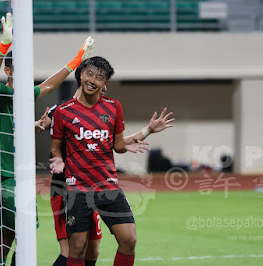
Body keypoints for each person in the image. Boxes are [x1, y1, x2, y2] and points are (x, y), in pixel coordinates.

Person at [36, 63, 174, 265]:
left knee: (112, 244)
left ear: (105, 84)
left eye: (99, 77)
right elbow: (54, 145)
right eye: (89, 75)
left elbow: (116, 144)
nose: (92, 80)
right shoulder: (62, 110)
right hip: (72, 188)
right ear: (81, 76)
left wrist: (147, 131)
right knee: (74, 249)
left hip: (106, 186)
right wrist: (56, 156)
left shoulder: (112, 107)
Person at [0, 12, 94, 266]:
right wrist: (5, 44)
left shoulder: (26, 96)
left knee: (2, 242)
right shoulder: (1, 94)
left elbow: (51, 84)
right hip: (9, 175)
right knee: (25, 235)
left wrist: (78, 57)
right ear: (9, 69)